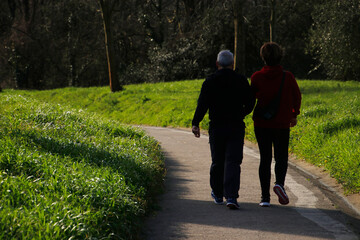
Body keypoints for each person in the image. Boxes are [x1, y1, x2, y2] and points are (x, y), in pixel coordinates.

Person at [192, 50, 255, 209]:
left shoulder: (210, 81)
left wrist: (196, 123)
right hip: (235, 125)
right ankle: (232, 196)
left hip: (217, 126)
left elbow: (202, 104)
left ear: (217, 64)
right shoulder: (241, 80)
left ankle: (218, 193)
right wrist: (241, 113)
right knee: (233, 161)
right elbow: (250, 102)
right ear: (233, 64)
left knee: (218, 161)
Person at [251, 42, 302, 207]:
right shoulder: (288, 77)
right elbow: (297, 96)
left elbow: (252, 98)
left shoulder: (256, 77)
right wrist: (294, 115)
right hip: (281, 123)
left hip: (261, 124)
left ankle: (264, 198)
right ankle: (279, 183)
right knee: (281, 157)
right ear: (280, 56)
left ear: (263, 57)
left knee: (265, 158)